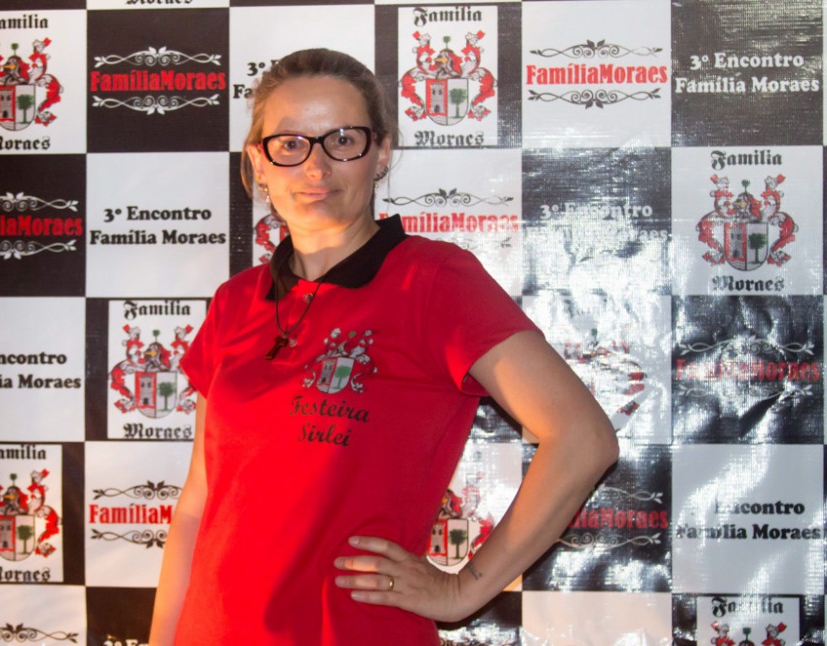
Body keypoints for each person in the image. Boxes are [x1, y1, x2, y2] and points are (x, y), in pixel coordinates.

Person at [148, 48, 618, 645]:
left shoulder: (432, 281)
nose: (316, 168)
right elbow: (198, 505)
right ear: (259, 163)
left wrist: (463, 590)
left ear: (382, 152)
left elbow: (583, 438)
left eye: (343, 140)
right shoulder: (235, 301)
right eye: (290, 144)